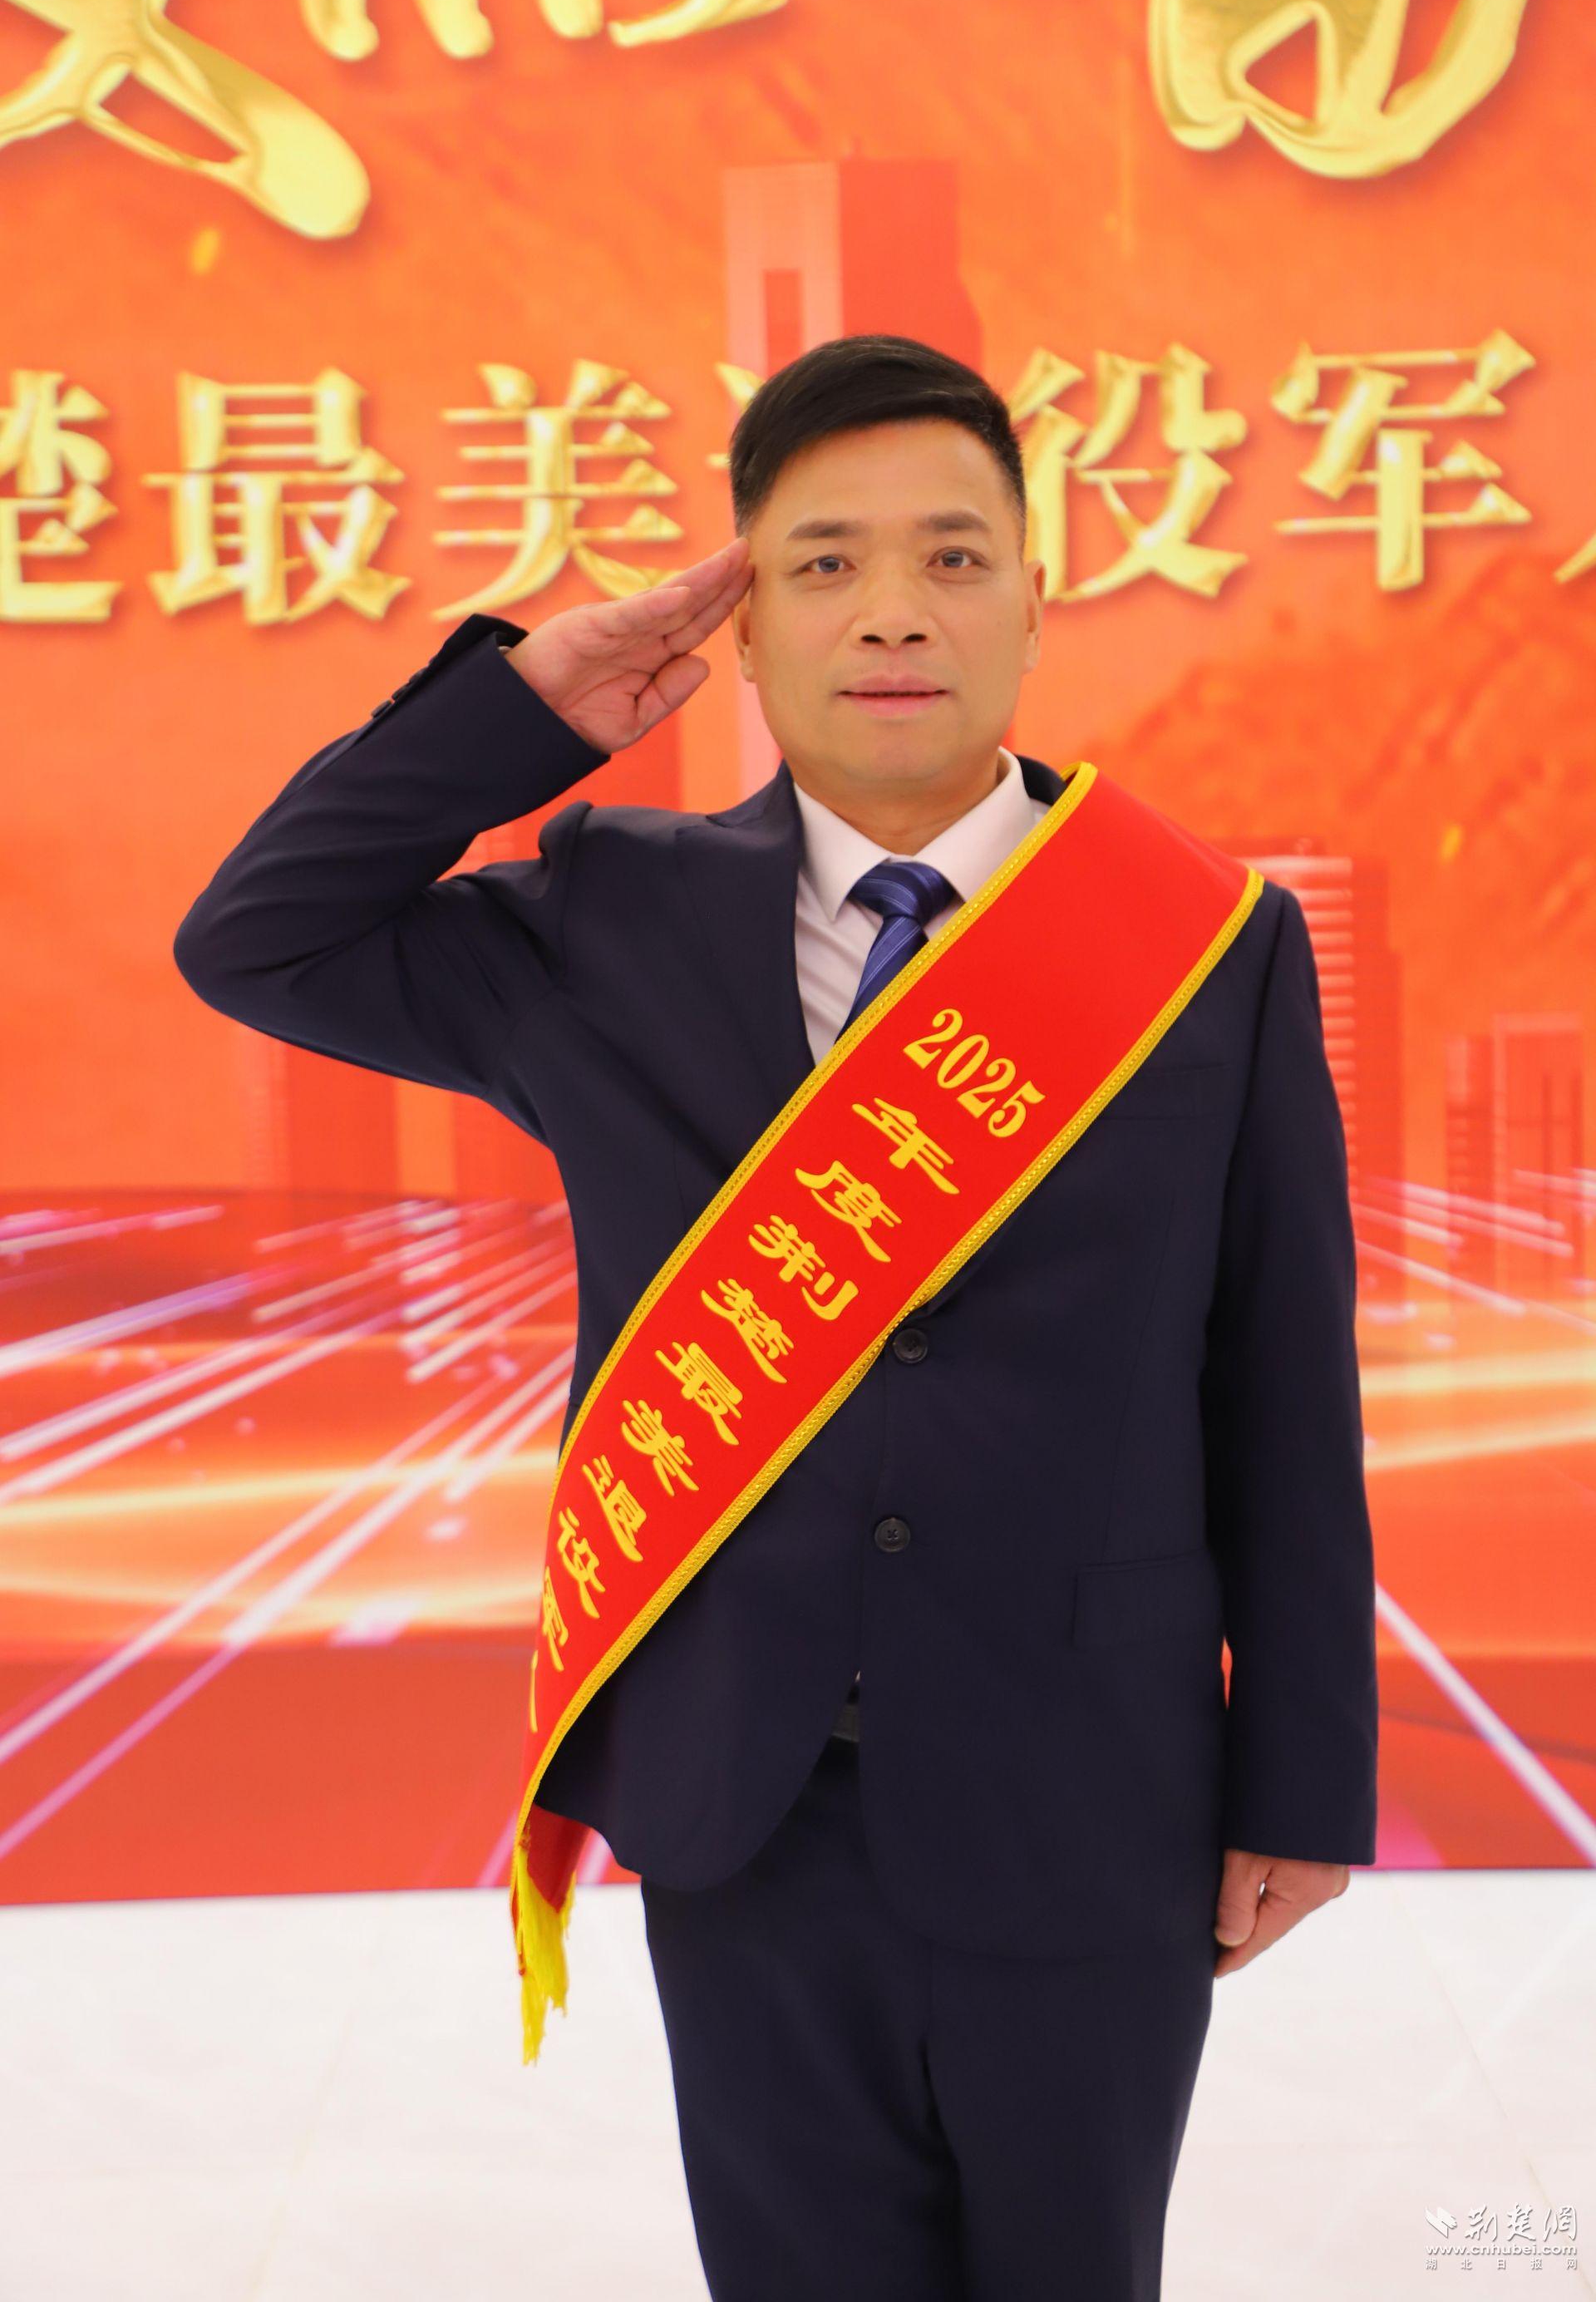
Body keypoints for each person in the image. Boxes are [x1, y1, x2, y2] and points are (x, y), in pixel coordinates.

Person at [173, 333, 1379, 2302]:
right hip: (744, 1796)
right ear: (738, 623)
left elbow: (1279, 1382)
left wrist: (1306, 1781)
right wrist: (527, 713)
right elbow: (257, 939)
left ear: (1035, 599)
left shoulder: (1200, 944)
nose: (893, 612)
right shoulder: (611, 916)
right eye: (821, 563)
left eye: (953, 557)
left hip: (1092, 1788)